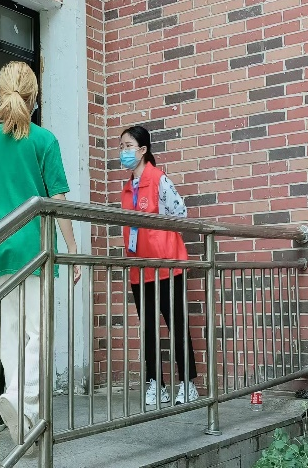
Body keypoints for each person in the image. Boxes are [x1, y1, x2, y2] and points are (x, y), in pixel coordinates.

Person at [0, 61, 80, 451]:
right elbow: (58, 200)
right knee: (39, 333)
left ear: (1, 94)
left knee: (8, 335)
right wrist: (72, 248)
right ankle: (24, 400)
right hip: (34, 251)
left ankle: (19, 409)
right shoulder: (44, 140)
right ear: (34, 96)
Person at [119, 125, 198, 405]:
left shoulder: (158, 179)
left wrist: (159, 237)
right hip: (139, 270)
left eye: (129, 146)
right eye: (121, 147)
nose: (124, 152)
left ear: (143, 150)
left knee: (176, 325)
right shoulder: (127, 188)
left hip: (166, 267)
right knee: (149, 329)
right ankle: (156, 384)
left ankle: (188, 383)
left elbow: (180, 213)